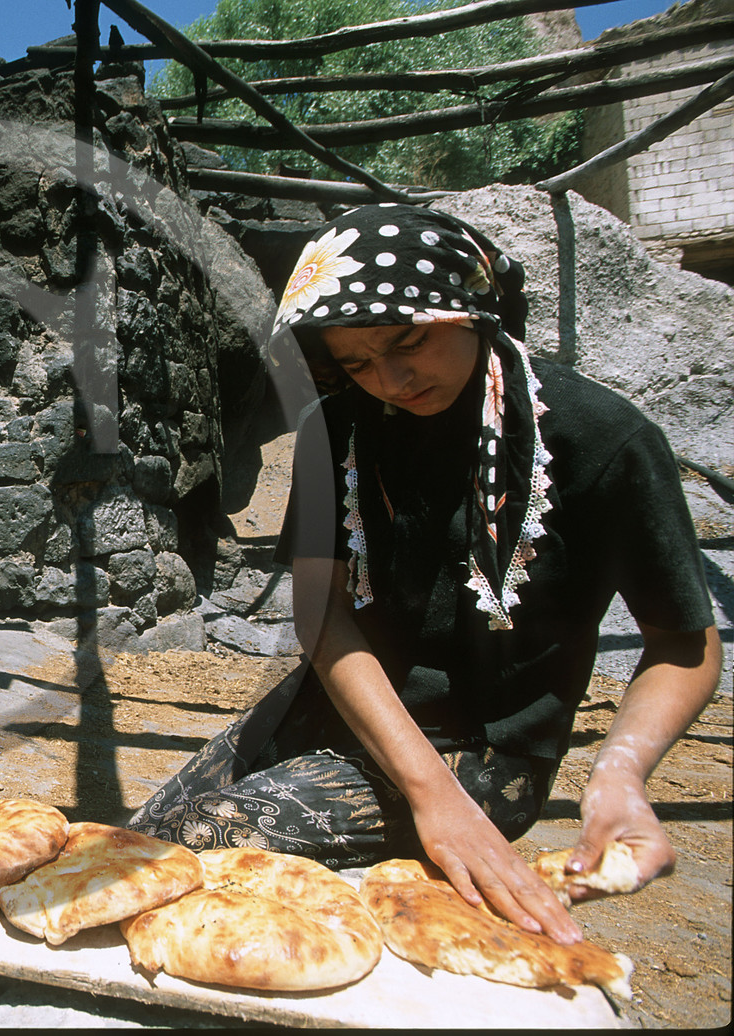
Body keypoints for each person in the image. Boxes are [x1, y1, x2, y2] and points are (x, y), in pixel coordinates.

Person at [126, 203, 720, 945]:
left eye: (408, 341)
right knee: (139, 848)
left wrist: (619, 776)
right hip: (339, 704)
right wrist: (420, 788)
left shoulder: (601, 438)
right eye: (356, 362)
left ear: (473, 304)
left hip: (476, 748)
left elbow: (683, 644)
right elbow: (322, 612)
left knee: (203, 851)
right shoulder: (339, 428)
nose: (392, 379)